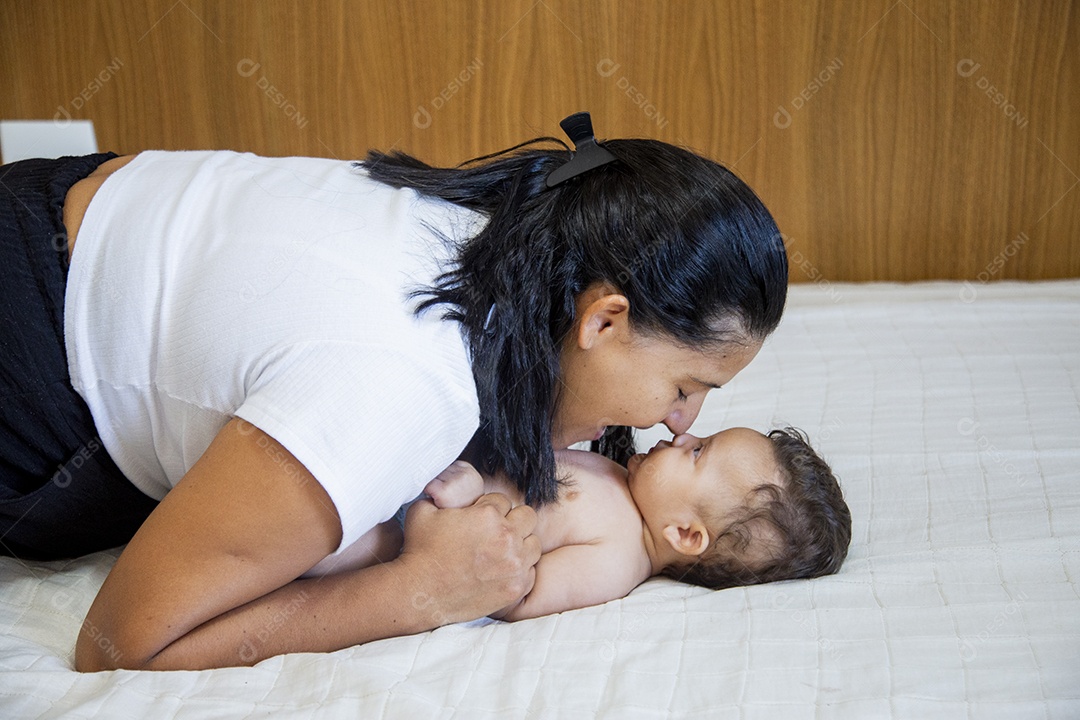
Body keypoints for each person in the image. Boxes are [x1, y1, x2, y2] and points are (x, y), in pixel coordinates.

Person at [0, 113, 789, 670]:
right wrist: (418, 592)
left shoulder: (512, 227)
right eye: (685, 386)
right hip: (30, 365)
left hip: (56, 205)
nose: (675, 422)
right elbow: (121, 643)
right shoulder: (402, 386)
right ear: (605, 320)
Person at [304, 427, 852, 621]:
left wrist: (472, 504)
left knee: (324, 542)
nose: (681, 435)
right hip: (423, 471)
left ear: (685, 534)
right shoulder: (621, 477)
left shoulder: (616, 560)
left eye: (697, 451)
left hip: (413, 525)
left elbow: (515, 590)